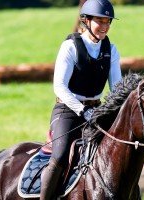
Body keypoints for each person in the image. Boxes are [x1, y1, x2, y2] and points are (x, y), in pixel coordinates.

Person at [40, 0, 122, 199]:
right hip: (67, 110)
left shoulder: (111, 50)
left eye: (108, 22)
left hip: (96, 111)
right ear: (86, 21)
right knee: (59, 157)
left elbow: (117, 89)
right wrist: (83, 110)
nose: (104, 27)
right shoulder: (70, 47)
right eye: (99, 22)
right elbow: (59, 86)